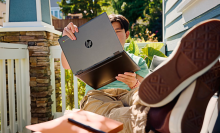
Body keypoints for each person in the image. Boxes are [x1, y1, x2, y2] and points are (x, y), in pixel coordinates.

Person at [61, 14, 220, 133]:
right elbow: (66, 64)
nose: (113, 35)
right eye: (108, 32)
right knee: (112, 114)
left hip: (129, 93)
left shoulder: (137, 60)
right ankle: (167, 115)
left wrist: (135, 82)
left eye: (117, 31)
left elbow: (149, 88)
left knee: (142, 97)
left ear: (127, 34)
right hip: (98, 96)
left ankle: (164, 112)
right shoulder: (90, 55)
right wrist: (68, 41)